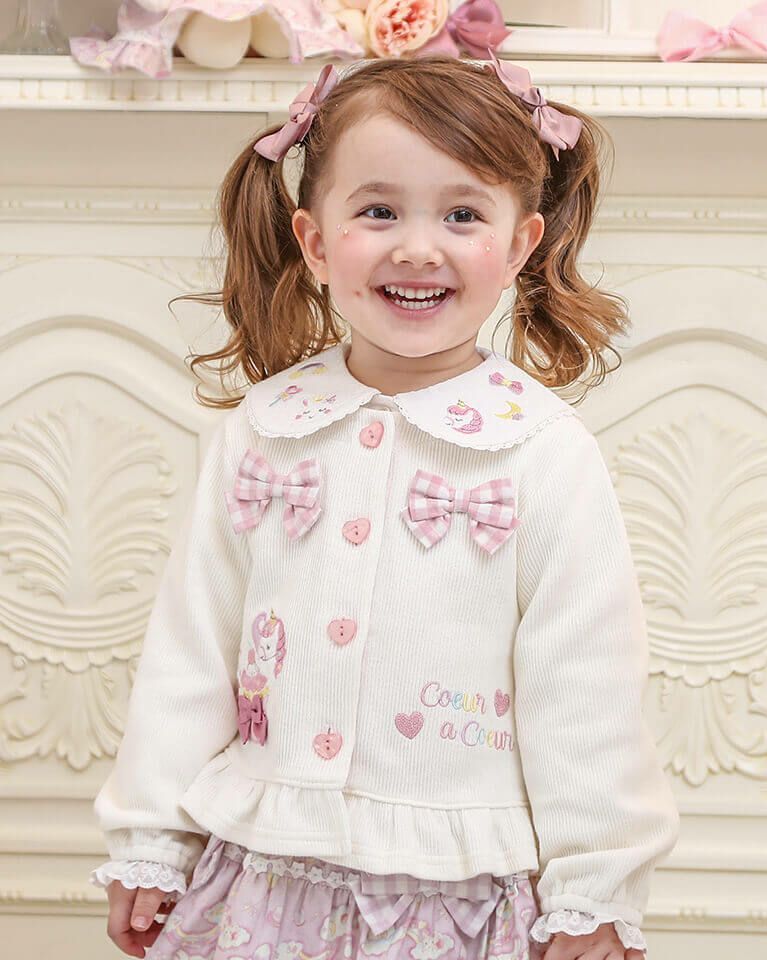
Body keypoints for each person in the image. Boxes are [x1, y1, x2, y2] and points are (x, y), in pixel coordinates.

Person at [90, 52, 680, 960]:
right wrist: (152, 839)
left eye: (462, 214)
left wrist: (594, 889)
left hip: (460, 893)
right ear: (316, 241)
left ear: (519, 245)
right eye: (377, 211)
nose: (417, 247)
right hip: (263, 879)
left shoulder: (543, 451)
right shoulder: (265, 430)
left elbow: (587, 689)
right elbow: (190, 649)